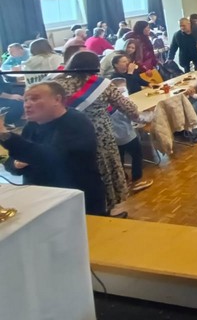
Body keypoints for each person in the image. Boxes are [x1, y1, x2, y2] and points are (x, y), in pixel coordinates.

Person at [0, 82, 106, 215]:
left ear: (57, 99)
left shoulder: (76, 122)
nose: (27, 104)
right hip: (42, 199)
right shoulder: (31, 126)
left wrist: (5, 135)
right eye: (25, 100)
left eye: (35, 98)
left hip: (77, 200)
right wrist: (16, 164)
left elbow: (52, 158)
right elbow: (14, 161)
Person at [53, 51, 139, 215]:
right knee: (102, 168)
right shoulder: (102, 84)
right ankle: (106, 206)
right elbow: (128, 108)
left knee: (77, 168)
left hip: (67, 133)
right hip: (98, 134)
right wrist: (136, 116)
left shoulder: (58, 84)